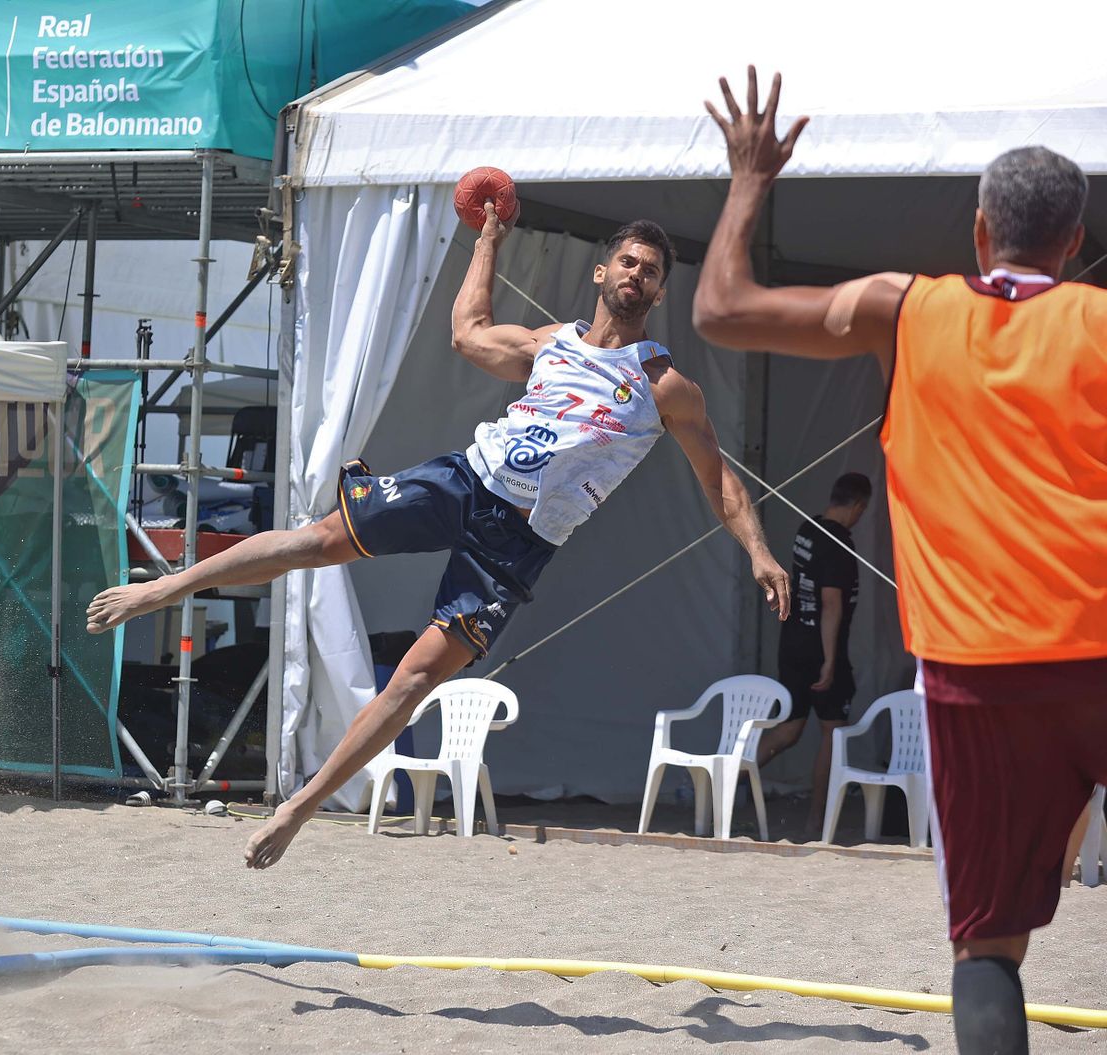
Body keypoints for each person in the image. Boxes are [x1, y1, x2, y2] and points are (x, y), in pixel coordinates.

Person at [88, 211, 792, 870]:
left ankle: (299, 807)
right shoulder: (549, 344)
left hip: (517, 544)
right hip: (466, 480)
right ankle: (166, 586)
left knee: (419, 676)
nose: (637, 275)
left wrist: (758, 551)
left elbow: (720, 478)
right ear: (602, 274)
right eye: (628, 262)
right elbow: (467, 330)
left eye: (650, 270)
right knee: (319, 539)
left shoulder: (664, 384)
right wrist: (488, 238)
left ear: (660, 291)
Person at [694, 67, 1107, 1055]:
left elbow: (719, 310)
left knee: (987, 952)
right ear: (1076, 245)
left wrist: (750, 176)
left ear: (977, 232)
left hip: (978, 670)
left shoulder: (904, 307)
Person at [758, 472, 872, 837]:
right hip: (819, 647)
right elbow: (831, 604)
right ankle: (817, 821)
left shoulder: (807, 529)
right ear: (858, 506)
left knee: (789, 729)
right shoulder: (839, 544)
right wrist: (829, 659)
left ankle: (728, 782)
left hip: (791, 641)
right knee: (833, 732)